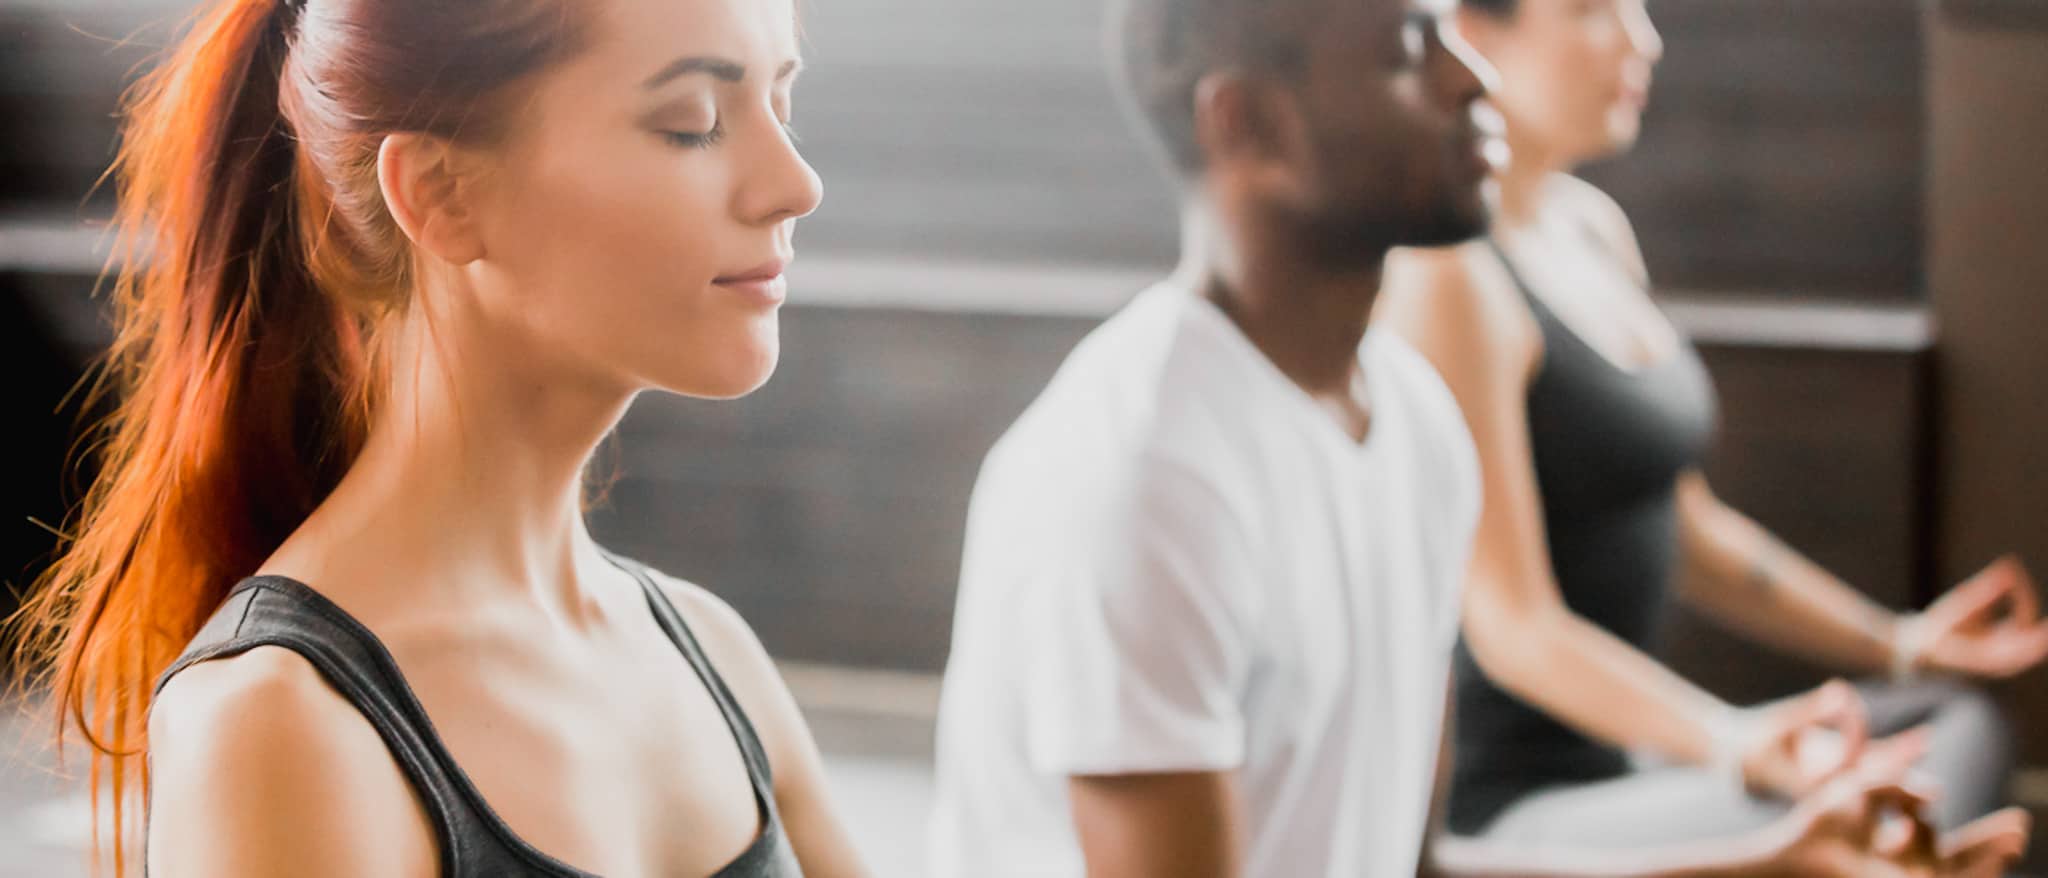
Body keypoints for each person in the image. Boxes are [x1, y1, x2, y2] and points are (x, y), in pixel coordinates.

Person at [925, 0, 2030, 874]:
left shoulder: (1410, 423)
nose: (1471, 75)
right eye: (1412, 47)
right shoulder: (1146, 476)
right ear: (1247, 125)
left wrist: (1766, 867)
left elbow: (1422, 866)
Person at [5, 0, 869, 874]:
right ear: (441, 193)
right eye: (693, 123)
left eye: (782, 105)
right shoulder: (284, 727)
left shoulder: (712, 654)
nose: (796, 185)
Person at [1376, 0, 2047, 852]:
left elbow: (1692, 533)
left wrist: (1898, 643)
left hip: (1637, 764)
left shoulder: (1590, 226)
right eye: (1592, 11)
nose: (1642, 40)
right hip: (1518, 803)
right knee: (1884, 813)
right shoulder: (1450, 278)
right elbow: (1514, 627)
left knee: (1956, 721)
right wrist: (1735, 744)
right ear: (1474, 35)